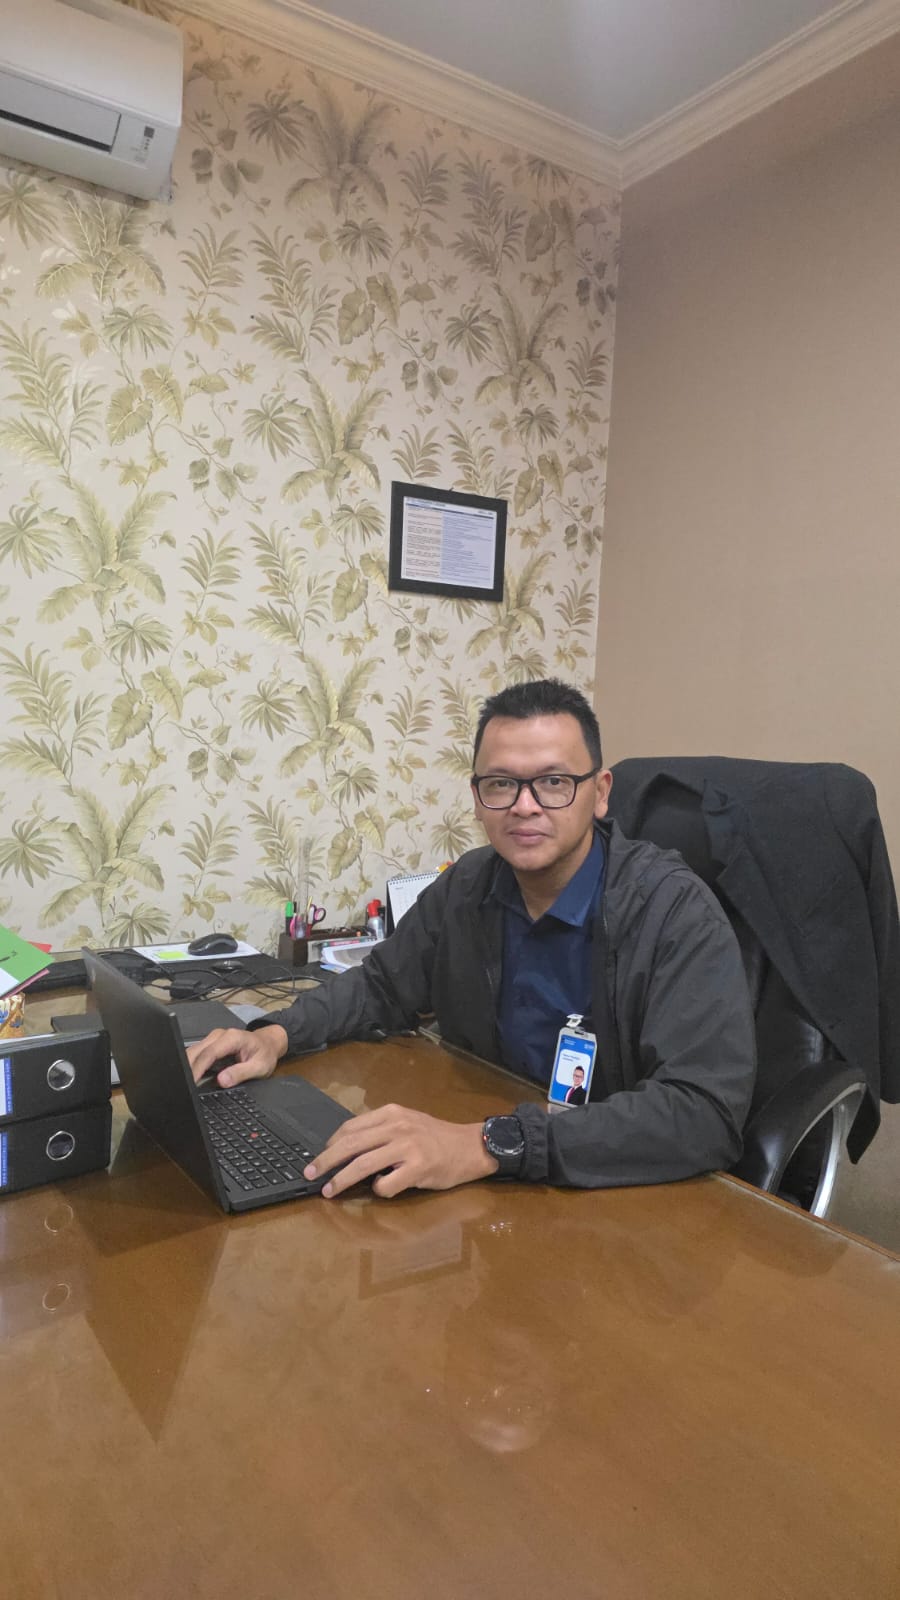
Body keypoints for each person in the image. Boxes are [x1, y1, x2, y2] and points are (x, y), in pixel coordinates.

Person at [188, 679, 756, 1198]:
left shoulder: (673, 911)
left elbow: (704, 1113)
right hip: (498, 1175)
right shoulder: (470, 884)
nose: (525, 806)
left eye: (554, 782)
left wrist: (489, 1144)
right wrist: (277, 1034)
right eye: (501, 784)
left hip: (613, 1186)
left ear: (600, 792)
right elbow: (381, 986)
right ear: (478, 796)